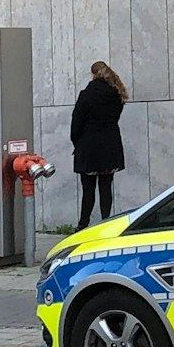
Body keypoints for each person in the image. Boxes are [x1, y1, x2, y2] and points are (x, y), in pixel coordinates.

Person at [69, 61, 128, 227]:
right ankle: (106, 223)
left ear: (93, 74)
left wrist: (77, 143)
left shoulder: (86, 95)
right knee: (105, 187)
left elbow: (76, 123)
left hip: (89, 147)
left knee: (88, 190)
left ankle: (83, 225)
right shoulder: (117, 94)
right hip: (110, 145)